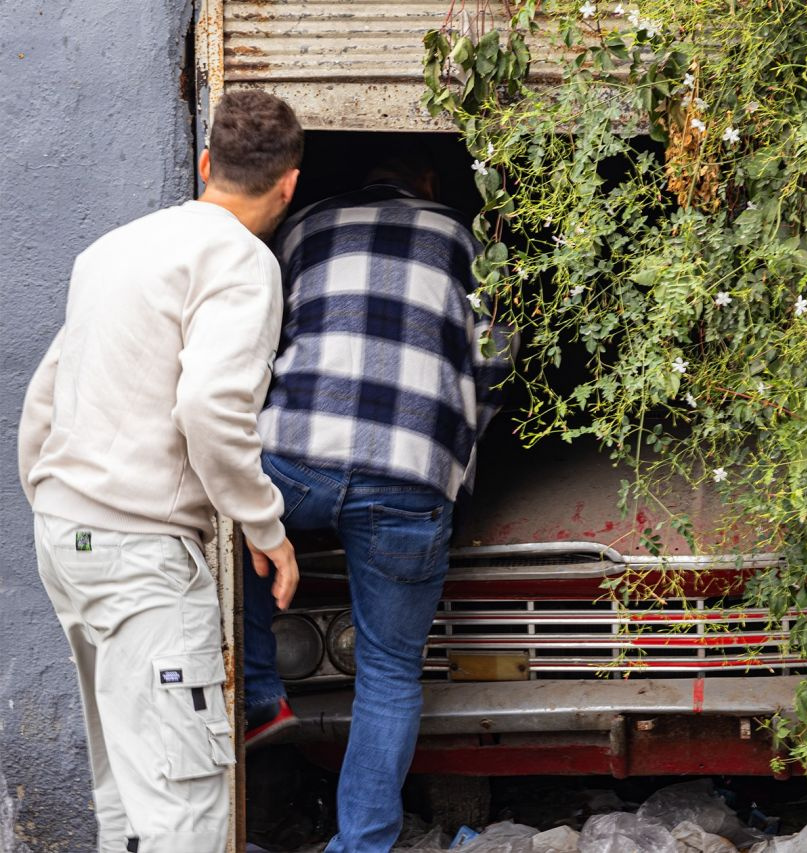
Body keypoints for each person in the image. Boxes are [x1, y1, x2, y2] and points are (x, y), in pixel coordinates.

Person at [16, 90, 304, 853]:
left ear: (207, 165)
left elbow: (44, 395)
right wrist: (264, 523)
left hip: (66, 537)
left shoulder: (110, 250)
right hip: (139, 556)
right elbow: (210, 407)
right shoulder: (243, 264)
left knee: (125, 796)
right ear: (290, 185)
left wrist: (60, 504)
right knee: (186, 804)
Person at [241, 147, 517, 852]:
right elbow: (497, 360)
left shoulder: (303, 226)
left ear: (363, 176)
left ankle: (258, 687)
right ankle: (362, 842)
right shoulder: (470, 239)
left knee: (219, 521)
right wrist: (455, 444)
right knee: (390, 672)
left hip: (297, 459)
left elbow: (262, 341)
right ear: (430, 181)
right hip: (407, 476)